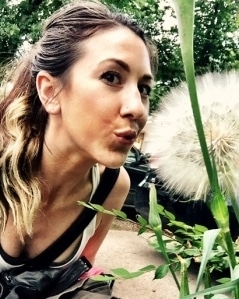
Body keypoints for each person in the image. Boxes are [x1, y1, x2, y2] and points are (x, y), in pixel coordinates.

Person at [0, 0, 157, 297]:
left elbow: (76, 278)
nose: (138, 107)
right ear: (50, 91)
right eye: (111, 77)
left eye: (144, 89)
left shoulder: (113, 185)